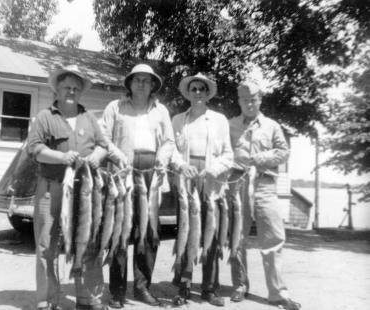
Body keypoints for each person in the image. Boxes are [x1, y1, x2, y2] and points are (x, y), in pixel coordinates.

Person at [26, 65, 109, 310]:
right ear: (57, 90)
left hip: (85, 191)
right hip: (51, 188)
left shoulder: (89, 118)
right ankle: (47, 300)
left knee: (89, 239)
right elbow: (36, 150)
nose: (71, 91)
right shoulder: (45, 117)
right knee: (46, 246)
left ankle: (89, 297)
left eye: (76, 88)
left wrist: (97, 156)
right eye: (67, 87)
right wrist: (61, 158)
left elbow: (104, 145)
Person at [99, 63, 175, 308]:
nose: (142, 83)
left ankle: (142, 287)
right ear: (129, 83)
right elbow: (103, 139)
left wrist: (162, 160)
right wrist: (118, 155)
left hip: (151, 172)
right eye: (137, 79)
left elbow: (168, 141)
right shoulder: (115, 107)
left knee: (149, 231)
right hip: (122, 173)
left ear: (153, 84)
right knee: (119, 229)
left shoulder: (160, 111)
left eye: (147, 80)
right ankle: (117, 291)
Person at [228, 82, 301, 310]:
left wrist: (263, 157)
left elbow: (284, 152)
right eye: (245, 100)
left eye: (253, 99)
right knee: (237, 238)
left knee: (273, 238)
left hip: (265, 184)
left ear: (260, 100)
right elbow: (222, 152)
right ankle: (240, 285)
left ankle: (277, 293)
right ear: (239, 101)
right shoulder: (230, 125)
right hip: (238, 184)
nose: (249, 103)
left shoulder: (272, 126)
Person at [170, 73, 233, 307]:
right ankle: (183, 286)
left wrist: (213, 170)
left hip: (211, 183)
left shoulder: (219, 120)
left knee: (211, 236)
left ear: (207, 93)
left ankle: (209, 288)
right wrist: (181, 165)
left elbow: (228, 155)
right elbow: (172, 150)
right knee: (185, 234)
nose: (197, 92)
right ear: (188, 92)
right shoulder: (178, 120)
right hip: (186, 183)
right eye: (193, 88)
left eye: (201, 89)